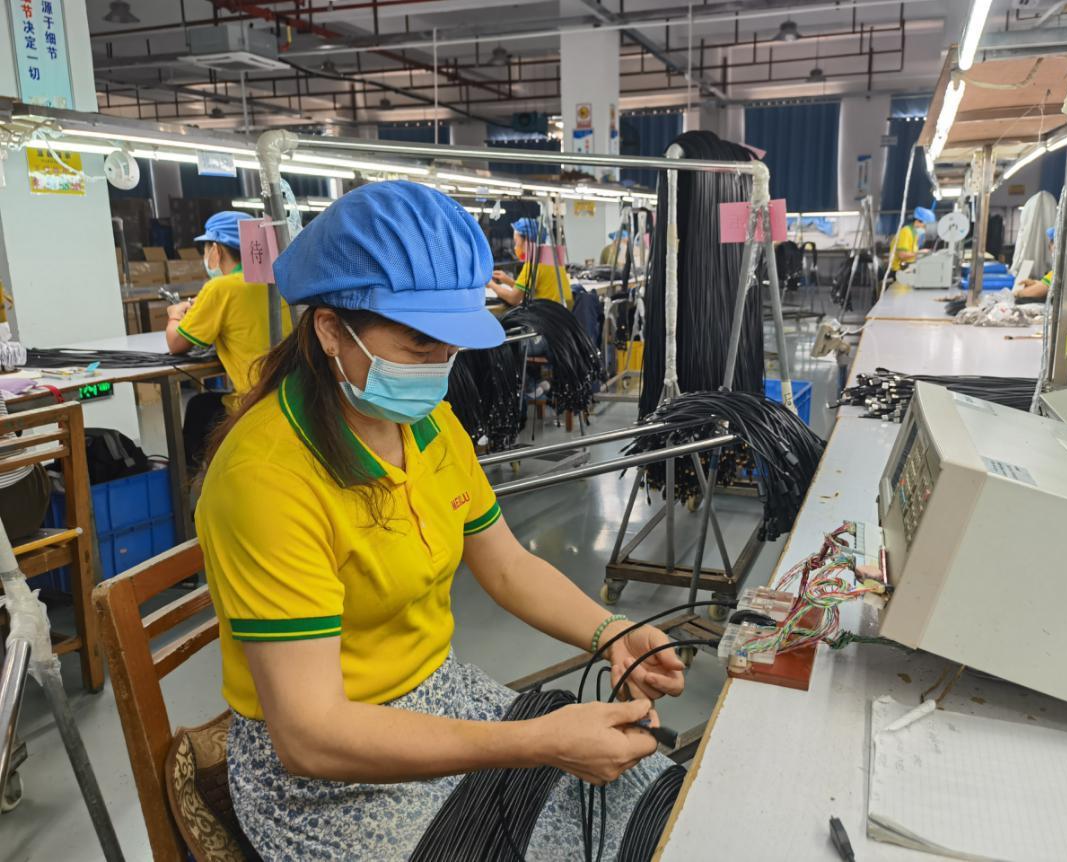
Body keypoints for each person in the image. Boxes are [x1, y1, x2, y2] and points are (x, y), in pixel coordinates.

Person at [196, 181, 684, 860]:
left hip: (442, 696)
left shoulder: (428, 425)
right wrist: (534, 743)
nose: (440, 368)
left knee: (651, 802)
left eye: (451, 346)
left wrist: (613, 633)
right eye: (419, 344)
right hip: (326, 778)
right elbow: (309, 735)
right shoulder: (267, 480)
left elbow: (506, 567)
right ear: (330, 329)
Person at [166, 211, 293, 469]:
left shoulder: (221, 288)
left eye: (206, 248)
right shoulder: (280, 280)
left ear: (216, 249)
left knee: (199, 408)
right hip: (293, 395)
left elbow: (177, 344)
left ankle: (194, 482)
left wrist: (175, 315)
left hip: (254, 402)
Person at [488, 217, 573, 308]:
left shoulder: (534, 263)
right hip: (562, 312)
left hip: (548, 314)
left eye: (516, 241)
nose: (515, 247)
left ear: (527, 240)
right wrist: (508, 281)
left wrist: (490, 283)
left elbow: (514, 299)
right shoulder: (550, 257)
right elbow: (526, 290)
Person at [889, 206, 936, 275]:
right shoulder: (906, 232)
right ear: (917, 222)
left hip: (907, 268)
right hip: (899, 271)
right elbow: (902, 255)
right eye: (924, 226)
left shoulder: (914, 234)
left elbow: (911, 253)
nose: (925, 229)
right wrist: (920, 252)